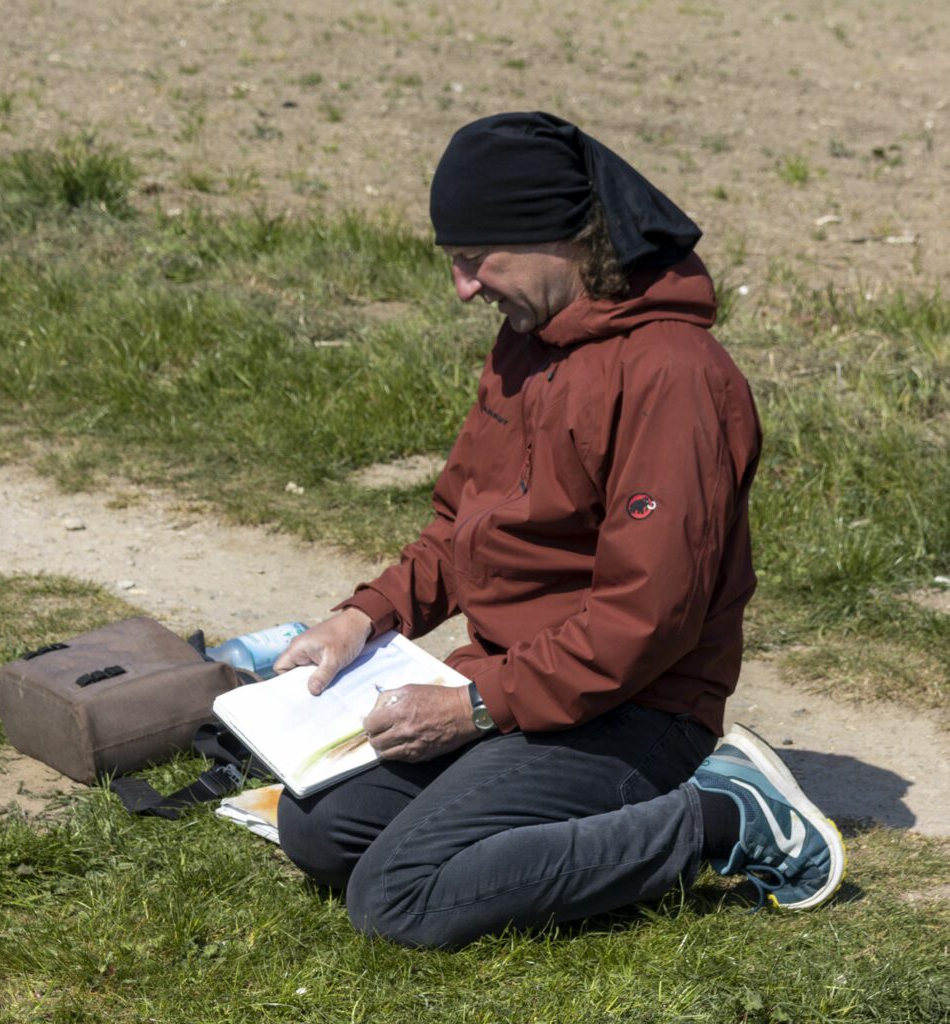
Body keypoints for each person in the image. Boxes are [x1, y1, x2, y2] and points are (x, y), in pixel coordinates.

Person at [272, 112, 845, 949]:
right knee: (318, 827)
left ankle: (725, 817)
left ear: (561, 241)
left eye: (476, 260)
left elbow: (644, 620)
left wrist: (473, 707)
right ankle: (538, 822)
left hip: (635, 709)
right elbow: (457, 527)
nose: (463, 287)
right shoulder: (526, 343)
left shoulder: (676, 378)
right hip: (522, 691)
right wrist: (362, 616)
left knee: (396, 900)